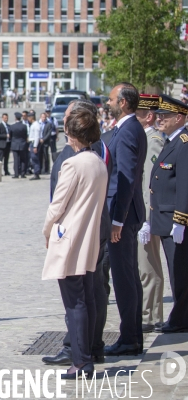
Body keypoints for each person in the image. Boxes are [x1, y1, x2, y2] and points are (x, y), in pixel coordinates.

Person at [42, 99, 113, 367]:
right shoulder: (97, 160)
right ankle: (89, 353)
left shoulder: (73, 163)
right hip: (91, 235)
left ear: (73, 135)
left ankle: (81, 360)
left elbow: (56, 206)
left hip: (71, 237)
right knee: (90, 297)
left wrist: (47, 230)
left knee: (75, 303)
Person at [104, 82, 147, 357]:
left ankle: (130, 337)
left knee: (124, 279)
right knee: (128, 277)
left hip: (124, 216)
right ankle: (132, 335)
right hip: (125, 214)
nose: (107, 102)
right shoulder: (126, 128)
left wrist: (117, 221)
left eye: (111, 99)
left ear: (122, 103)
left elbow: (127, 178)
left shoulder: (129, 130)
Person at [144, 94, 188, 333]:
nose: (160, 119)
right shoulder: (171, 141)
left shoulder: (184, 142)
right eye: (159, 115)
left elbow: (184, 184)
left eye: (165, 116)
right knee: (175, 270)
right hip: (164, 217)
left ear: (179, 117)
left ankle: (181, 319)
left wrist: (180, 219)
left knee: (180, 271)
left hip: (175, 220)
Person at [135, 94, 165, 334]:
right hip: (139, 213)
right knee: (142, 264)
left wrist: (146, 219)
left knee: (148, 265)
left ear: (149, 116)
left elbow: (149, 182)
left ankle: (151, 315)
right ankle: (147, 313)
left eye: (137, 114)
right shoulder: (142, 137)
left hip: (146, 214)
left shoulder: (152, 140)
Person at [10, 112, 28, 179]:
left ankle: (16, 174)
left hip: (15, 144)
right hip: (22, 144)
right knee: (23, 159)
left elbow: (10, 136)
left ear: (15, 118)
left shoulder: (12, 126)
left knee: (16, 159)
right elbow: (25, 135)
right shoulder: (24, 126)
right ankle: (23, 173)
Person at [28, 112, 42, 180]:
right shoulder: (33, 124)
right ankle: (35, 172)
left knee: (35, 159)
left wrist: (35, 146)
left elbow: (36, 136)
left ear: (31, 118)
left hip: (34, 143)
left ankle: (36, 173)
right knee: (33, 159)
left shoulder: (36, 125)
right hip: (32, 143)